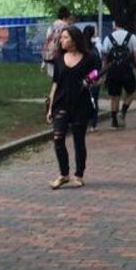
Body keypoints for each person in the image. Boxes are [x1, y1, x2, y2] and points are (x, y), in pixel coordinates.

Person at [45, 25, 97, 188]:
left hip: (80, 104)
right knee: (58, 138)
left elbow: (97, 74)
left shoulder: (88, 58)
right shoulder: (59, 59)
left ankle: (79, 174)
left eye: (65, 37)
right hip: (61, 104)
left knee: (78, 140)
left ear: (74, 40)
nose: (61, 40)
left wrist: (90, 80)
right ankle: (63, 174)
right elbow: (55, 83)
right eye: (62, 37)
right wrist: (50, 106)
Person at [101, 17, 136, 129]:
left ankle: (114, 122)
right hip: (127, 70)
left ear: (115, 24)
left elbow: (104, 57)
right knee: (131, 92)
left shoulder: (108, 38)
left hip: (113, 70)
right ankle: (123, 112)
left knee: (114, 96)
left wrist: (104, 72)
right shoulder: (132, 37)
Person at [82, 25, 103, 131]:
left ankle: (83, 121)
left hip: (82, 78)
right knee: (94, 100)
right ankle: (93, 124)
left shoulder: (80, 48)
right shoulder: (95, 47)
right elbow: (98, 63)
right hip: (94, 76)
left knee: (82, 101)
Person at [41, 7, 72, 78]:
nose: (69, 21)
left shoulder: (51, 27)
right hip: (62, 56)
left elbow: (47, 42)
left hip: (50, 56)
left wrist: (43, 62)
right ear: (65, 18)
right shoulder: (66, 28)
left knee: (54, 78)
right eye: (69, 19)